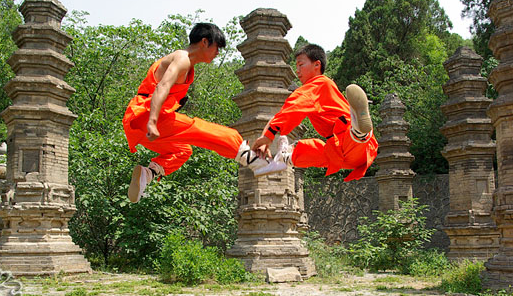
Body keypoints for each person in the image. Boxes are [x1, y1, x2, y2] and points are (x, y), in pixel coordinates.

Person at [122, 22, 267, 202]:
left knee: (183, 150)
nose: (217, 53)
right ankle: (250, 158)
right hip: (146, 116)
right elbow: (163, 86)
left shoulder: (187, 65)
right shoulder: (182, 58)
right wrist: (152, 121)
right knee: (197, 128)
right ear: (204, 42)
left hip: (138, 128)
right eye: (217, 48)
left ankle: (147, 174)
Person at [252, 43, 378, 182]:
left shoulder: (318, 83)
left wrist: (268, 136)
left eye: (301, 65)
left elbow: (293, 107)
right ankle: (287, 157)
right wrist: (266, 137)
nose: (297, 70)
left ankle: (358, 130)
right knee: (316, 150)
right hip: (351, 154)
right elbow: (284, 112)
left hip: (345, 141)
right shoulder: (318, 89)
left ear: (317, 65)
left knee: (329, 146)